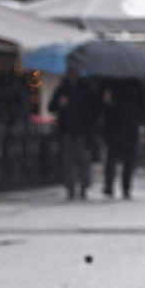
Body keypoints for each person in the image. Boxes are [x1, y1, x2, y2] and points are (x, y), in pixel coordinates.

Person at [47, 65, 98, 200]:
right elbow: (51, 107)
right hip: (67, 130)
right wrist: (60, 104)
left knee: (83, 159)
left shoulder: (85, 89)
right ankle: (70, 187)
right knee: (68, 159)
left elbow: (93, 109)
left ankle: (83, 185)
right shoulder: (62, 89)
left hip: (82, 130)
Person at [99, 78, 145, 199]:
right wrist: (106, 102)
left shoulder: (136, 86)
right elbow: (100, 105)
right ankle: (109, 185)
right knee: (111, 158)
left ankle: (126, 186)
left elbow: (143, 107)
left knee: (128, 160)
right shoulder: (108, 85)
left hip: (130, 128)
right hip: (113, 128)